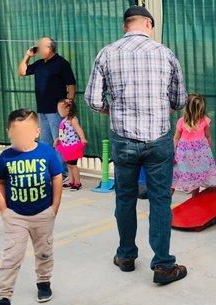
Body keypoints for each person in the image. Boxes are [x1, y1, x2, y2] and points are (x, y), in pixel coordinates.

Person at [85, 6, 188, 285]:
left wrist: (113, 109)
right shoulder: (165, 54)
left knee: (125, 198)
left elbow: (93, 100)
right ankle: (163, 265)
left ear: (125, 26)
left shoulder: (107, 53)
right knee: (160, 200)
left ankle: (126, 255)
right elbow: (180, 101)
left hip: (124, 139)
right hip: (158, 139)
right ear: (148, 24)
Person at [0, 109, 63, 305]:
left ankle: (43, 282)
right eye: (16, 134)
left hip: (43, 214)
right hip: (16, 217)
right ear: (9, 133)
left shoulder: (47, 152)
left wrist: (54, 207)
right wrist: (5, 211)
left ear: (37, 132)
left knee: (44, 252)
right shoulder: (6, 157)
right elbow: (0, 184)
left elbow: (57, 178)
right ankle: (3, 300)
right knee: (11, 256)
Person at [18, 37, 76, 175]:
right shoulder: (39, 64)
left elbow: (71, 84)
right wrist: (27, 56)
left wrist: (70, 101)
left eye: (40, 46)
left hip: (56, 110)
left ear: (49, 49)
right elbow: (22, 72)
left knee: (59, 141)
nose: (37, 49)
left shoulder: (61, 63)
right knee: (45, 142)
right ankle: (48, 170)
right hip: (42, 109)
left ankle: (62, 172)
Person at [172, 93, 216, 196]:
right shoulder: (182, 122)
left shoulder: (204, 121)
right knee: (175, 176)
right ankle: (166, 202)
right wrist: (174, 153)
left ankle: (195, 201)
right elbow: (176, 138)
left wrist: (208, 151)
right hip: (184, 156)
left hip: (199, 155)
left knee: (196, 177)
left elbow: (208, 136)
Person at [55, 100, 87, 190]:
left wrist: (83, 138)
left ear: (68, 108)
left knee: (73, 165)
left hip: (73, 146)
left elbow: (79, 129)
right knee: (69, 165)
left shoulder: (73, 119)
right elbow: (63, 133)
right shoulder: (64, 120)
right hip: (66, 146)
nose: (59, 111)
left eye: (60, 109)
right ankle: (71, 181)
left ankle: (77, 182)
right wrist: (58, 139)